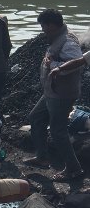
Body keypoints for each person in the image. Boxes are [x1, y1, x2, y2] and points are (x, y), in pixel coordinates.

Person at [25, 9, 85, 182]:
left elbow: (76, 65)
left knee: (58, 131)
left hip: (62, 94)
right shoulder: (57, 38)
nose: (42, 29)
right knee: (36, 117)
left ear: (51, 25)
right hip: (52, 90)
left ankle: (74, 169)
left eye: (43, 25)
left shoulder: (68, 42)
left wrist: (54, 65)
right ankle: (42, 157)